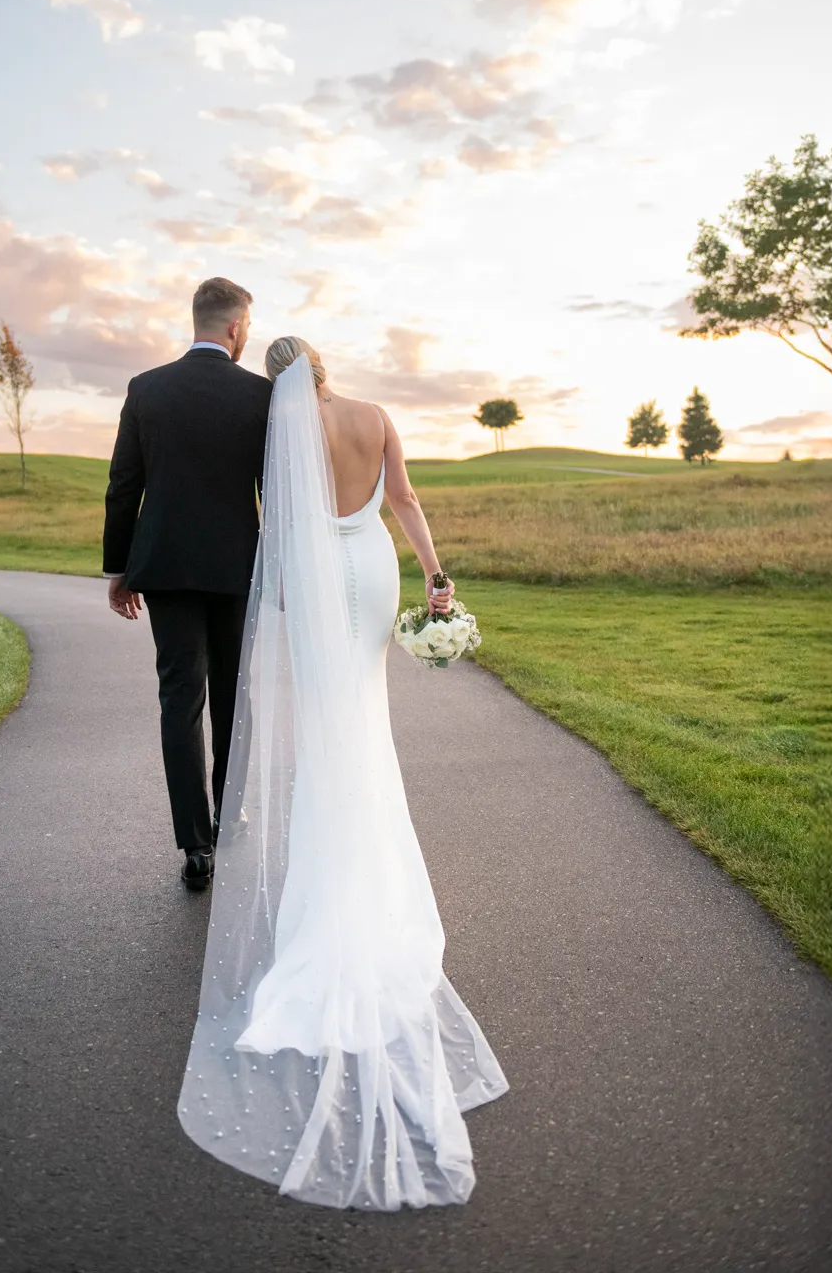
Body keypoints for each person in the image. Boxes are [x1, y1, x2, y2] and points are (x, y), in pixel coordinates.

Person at [176, 336, 508, 1210]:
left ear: (280, 382)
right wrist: (435, 578)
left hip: (319, 582)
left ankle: (332, 897)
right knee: (367, 724)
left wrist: (281, 599)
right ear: (324, 368)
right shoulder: (374, 417)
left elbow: (280, 529)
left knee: (329, 736)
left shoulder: (284, 435)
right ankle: (370, 877)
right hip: (371, 572)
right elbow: (403, 498)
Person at [103, 277, 272, 891]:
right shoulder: (260, 395)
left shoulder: (147, 388)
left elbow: (124, 486)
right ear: (234, 328)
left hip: (167, 570)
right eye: (247, 326)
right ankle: (229, 814)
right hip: (236, 570)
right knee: (233, 693)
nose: (247, 335)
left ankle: (195, 844)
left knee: (180, 698)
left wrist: (119, 570)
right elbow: (274, 492)